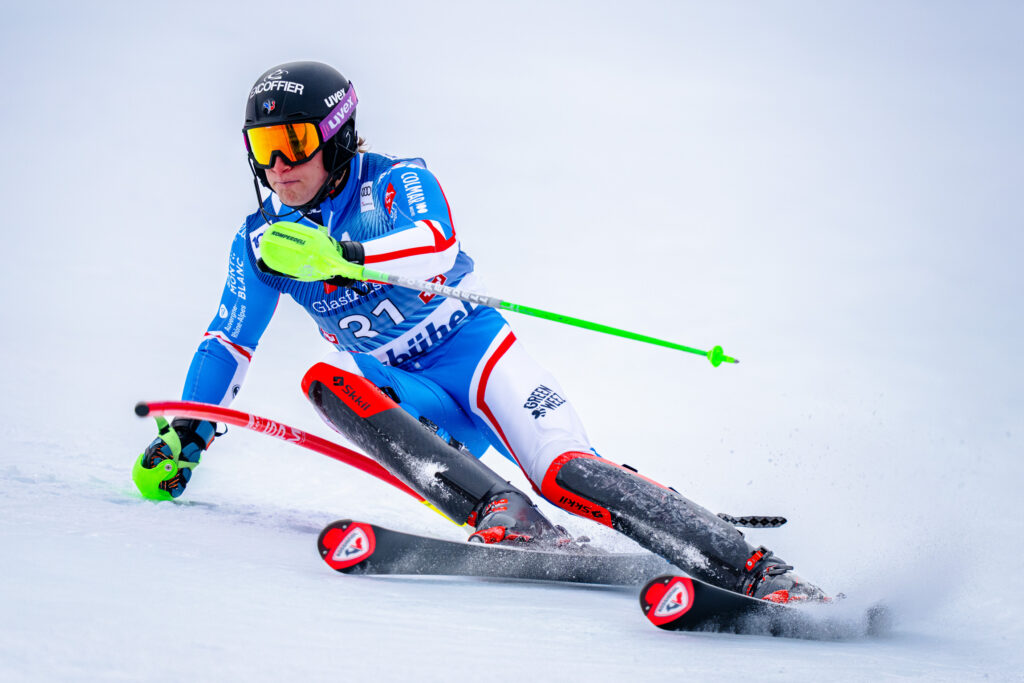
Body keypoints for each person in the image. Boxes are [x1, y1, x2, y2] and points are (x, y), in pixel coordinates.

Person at [137, 61, 824, 603]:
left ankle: (756, 568)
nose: (279, 165)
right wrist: (188, 433)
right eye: (263, 147)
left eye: (293, 142)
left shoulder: (395, 181)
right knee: (326, 383)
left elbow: (435, 241)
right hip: (406, 390)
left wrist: (347, 259)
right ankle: (506, 513)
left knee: (566, 470)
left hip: (479, 359)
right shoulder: (262, 241)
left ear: (337, 136)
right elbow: (229, 340)